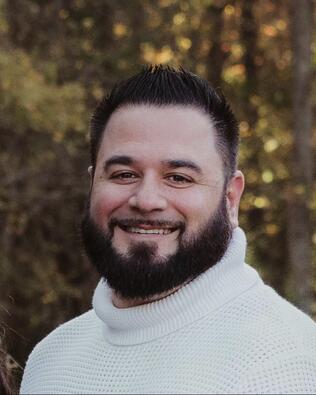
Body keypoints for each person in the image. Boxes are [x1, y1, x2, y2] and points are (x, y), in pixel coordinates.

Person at [21, 65, 316, 394]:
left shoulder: (281, 366)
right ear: (92, 183)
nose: (146, 200)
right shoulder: (50, 360)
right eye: (123, 174)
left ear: (230, 198)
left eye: (179, 178)